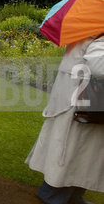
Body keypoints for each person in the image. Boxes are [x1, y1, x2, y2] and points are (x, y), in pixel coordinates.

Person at [25, 35, 104, 204]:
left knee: (81, 152)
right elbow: (99, 66)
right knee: (72, 150)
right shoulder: (98, 32)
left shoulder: (89, 28)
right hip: (82, 103)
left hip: (78, 99)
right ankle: (53, 196)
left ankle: (72, 195)